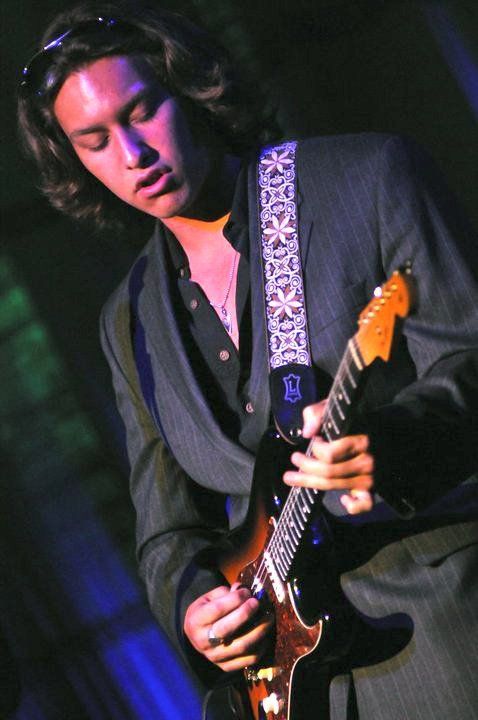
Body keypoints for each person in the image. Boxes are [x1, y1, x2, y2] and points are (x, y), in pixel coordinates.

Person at [18, 2, 478, 718]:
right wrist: (196, 608)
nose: (132, 155)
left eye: (141, 112)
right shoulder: (128, 319)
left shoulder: (366, 178)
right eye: (95, 141)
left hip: (442, 633)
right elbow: (168, 531)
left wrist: (390, 443)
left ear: (189, 89)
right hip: (288, 686)